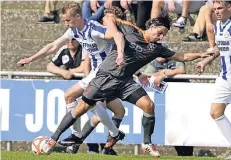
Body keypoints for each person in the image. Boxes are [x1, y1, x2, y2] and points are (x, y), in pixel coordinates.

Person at [42, 11, 211, 157]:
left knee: (149, 106)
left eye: (163, 35)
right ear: (151, 27)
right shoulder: (130, 29)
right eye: (159, 33)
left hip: (125, 82)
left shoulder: (157, 48)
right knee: (81, 109)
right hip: (105, 77)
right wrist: (116, 34)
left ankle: (147, 143)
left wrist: (201, 54)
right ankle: (53, 138)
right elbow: (109, 17)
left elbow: (182, 57)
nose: (160, 37)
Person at [17, 3, 126, 155]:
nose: (66, 23)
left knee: (82, 100)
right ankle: (95, 134)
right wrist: (31, 59)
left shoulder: (94, 28)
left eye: (68, 20)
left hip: (106, 72)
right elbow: (53, 46)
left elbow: (118, 35)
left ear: (78, 17)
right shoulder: (73, 31)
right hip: (96, 73)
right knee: (72, 97)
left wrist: (120, 54)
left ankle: (81, 136)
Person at [196, 1, 231, 159]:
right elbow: (219, 47)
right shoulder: (218, 26)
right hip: (224, 77)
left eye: (220, 8)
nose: (217, 12)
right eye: (215, 9)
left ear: (229, 7)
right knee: (215, 112)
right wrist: (205, 61)